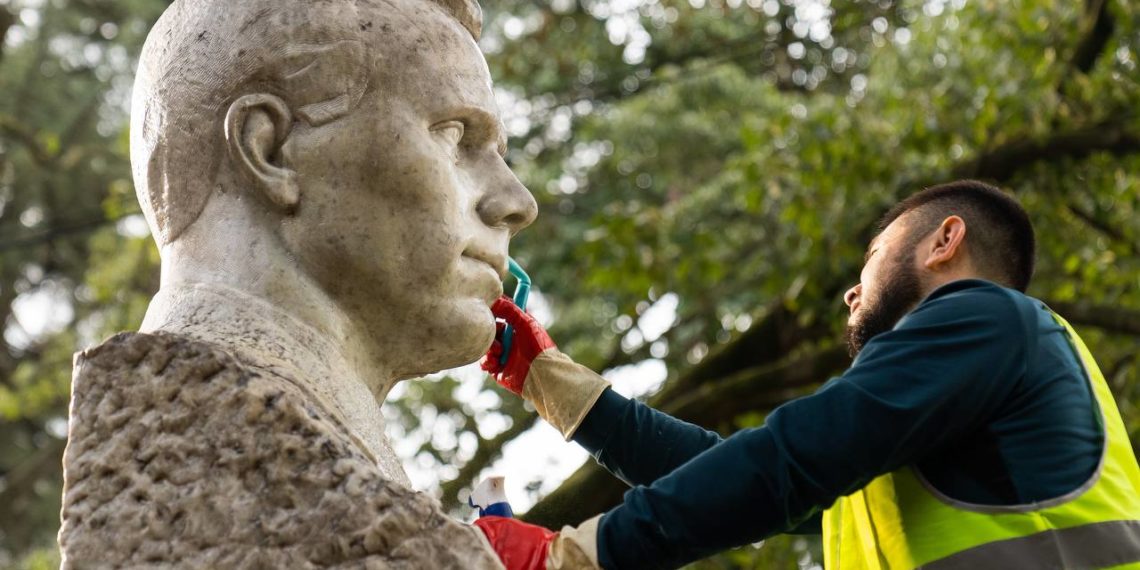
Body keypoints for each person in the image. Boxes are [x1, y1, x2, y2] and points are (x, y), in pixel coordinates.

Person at [59, 0, 535, 566]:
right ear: (270, 150)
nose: (517, 203)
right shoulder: (223, 447)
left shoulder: (311, 450)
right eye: (454, 136)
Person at [473, 180, 1140, 569]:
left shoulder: (987, 316)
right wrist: (546, 378)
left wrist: (578, 556)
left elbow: (790, 457)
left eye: (872, 257)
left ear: (944, 242)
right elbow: (737, 468)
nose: (852, 293)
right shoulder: (933, 436)